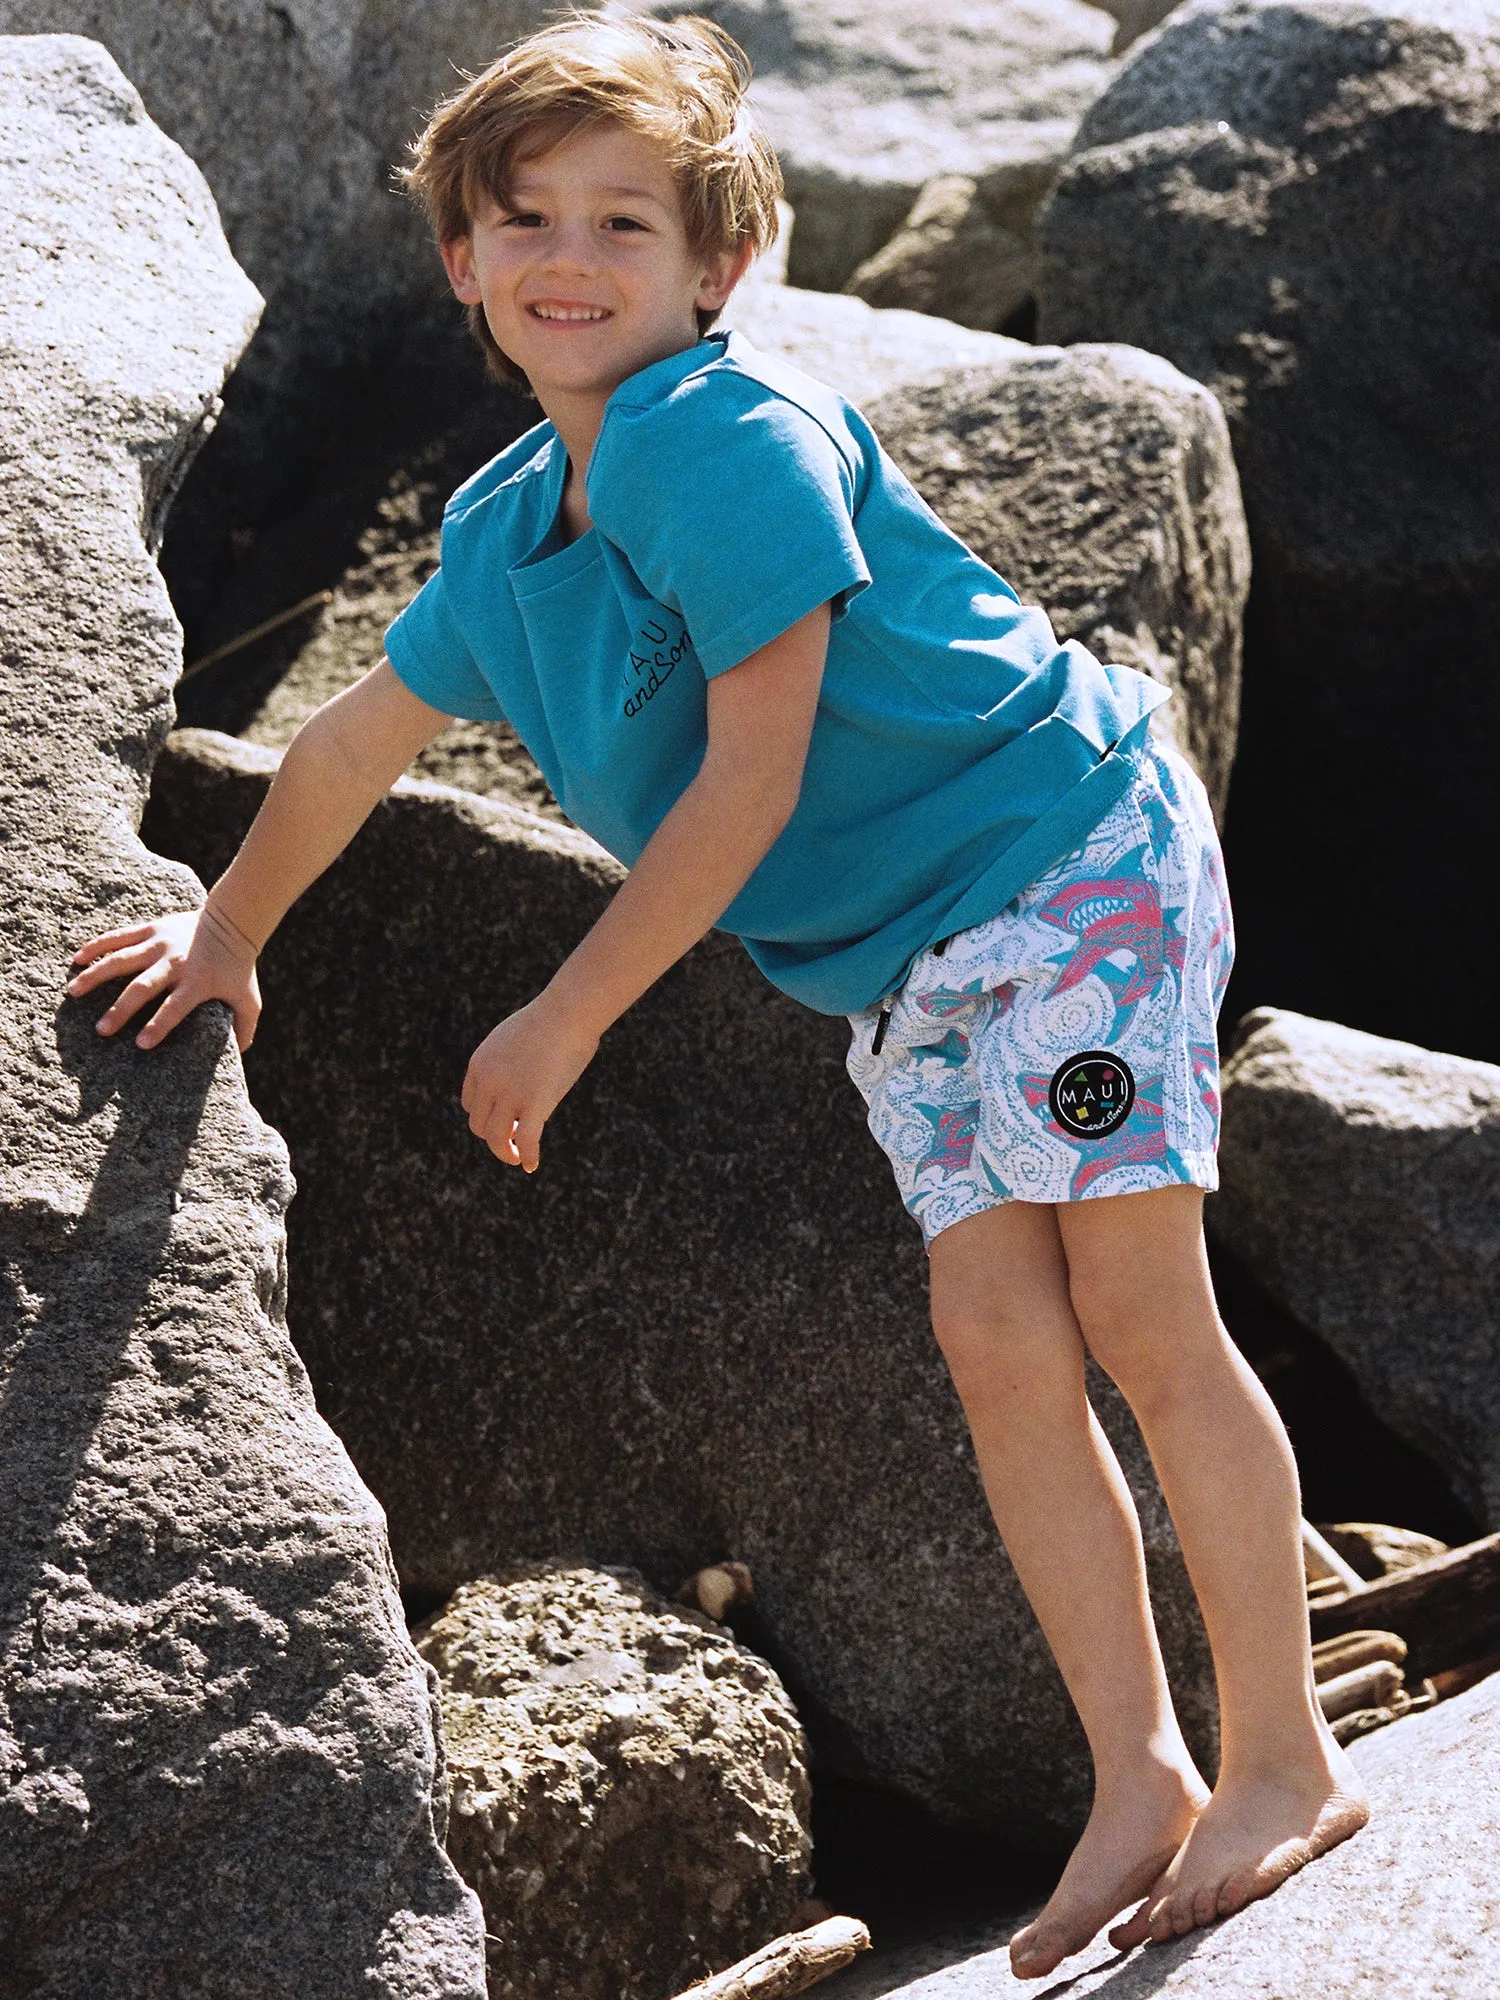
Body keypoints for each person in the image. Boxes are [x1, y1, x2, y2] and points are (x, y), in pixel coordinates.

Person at [68, 8, 1369, 1976]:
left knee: (1132, 1296)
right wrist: (227, 933)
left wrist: (571, 1009)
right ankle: (1145, 1773)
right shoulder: (510, 533)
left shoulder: (730, 438)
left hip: (1069, 866)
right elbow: (345, 745)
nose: (570, 261)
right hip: (921, 963)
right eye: (527, 221)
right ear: (463, 259)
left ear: (718, 264)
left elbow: (753, 780)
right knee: (998, 1344)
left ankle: (1288, 1752)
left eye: (624, 223)